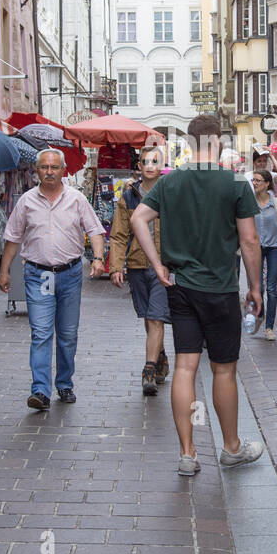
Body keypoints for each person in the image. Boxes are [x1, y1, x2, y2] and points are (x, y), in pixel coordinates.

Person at [130, 114, 265, 476]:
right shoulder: (236, 183)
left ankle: (188, 453)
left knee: (185, 367)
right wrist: (255, 287)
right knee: (224, 369)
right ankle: (231, 447)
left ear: (190, 144)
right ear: (218, 141)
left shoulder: (170, 183)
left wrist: (157, 264)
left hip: (182, 287)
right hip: (220, 288)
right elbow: (250, 241)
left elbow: (138, 218)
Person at [0, 148, 105, 410]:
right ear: (37, 170)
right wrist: (4, 270)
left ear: (62, 170)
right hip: (38, 275)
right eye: (44, 167)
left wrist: (99, 258)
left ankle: (65, 384)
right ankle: (40, 391)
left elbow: (94, 230)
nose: (49, 172)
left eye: (54, 167)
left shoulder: (77, 199)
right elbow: (13, 237)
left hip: (69, 274)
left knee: (67, 334)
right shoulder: (26, 201)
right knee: (41, 332)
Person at [108, 145, 171, 395]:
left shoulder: (170, 192)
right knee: (148, 316)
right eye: (145, 161)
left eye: (155, 161)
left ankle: (148, 371)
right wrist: (115, 266)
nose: (150, 166)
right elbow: (119, 233)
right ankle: (160, 356)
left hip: (163, 265)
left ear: (162, 164)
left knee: (156, 317)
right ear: (139, 166)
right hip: (137, 264)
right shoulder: (130, 195)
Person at [249, 169, 277, 341]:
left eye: (258, 180)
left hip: (274, 248)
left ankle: (269, 327)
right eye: (253, 180)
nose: (255, 183)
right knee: (259, 288)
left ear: (267, 183)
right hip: (256, 248)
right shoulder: (249, 203)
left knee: (271, 287)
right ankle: (260, 314)